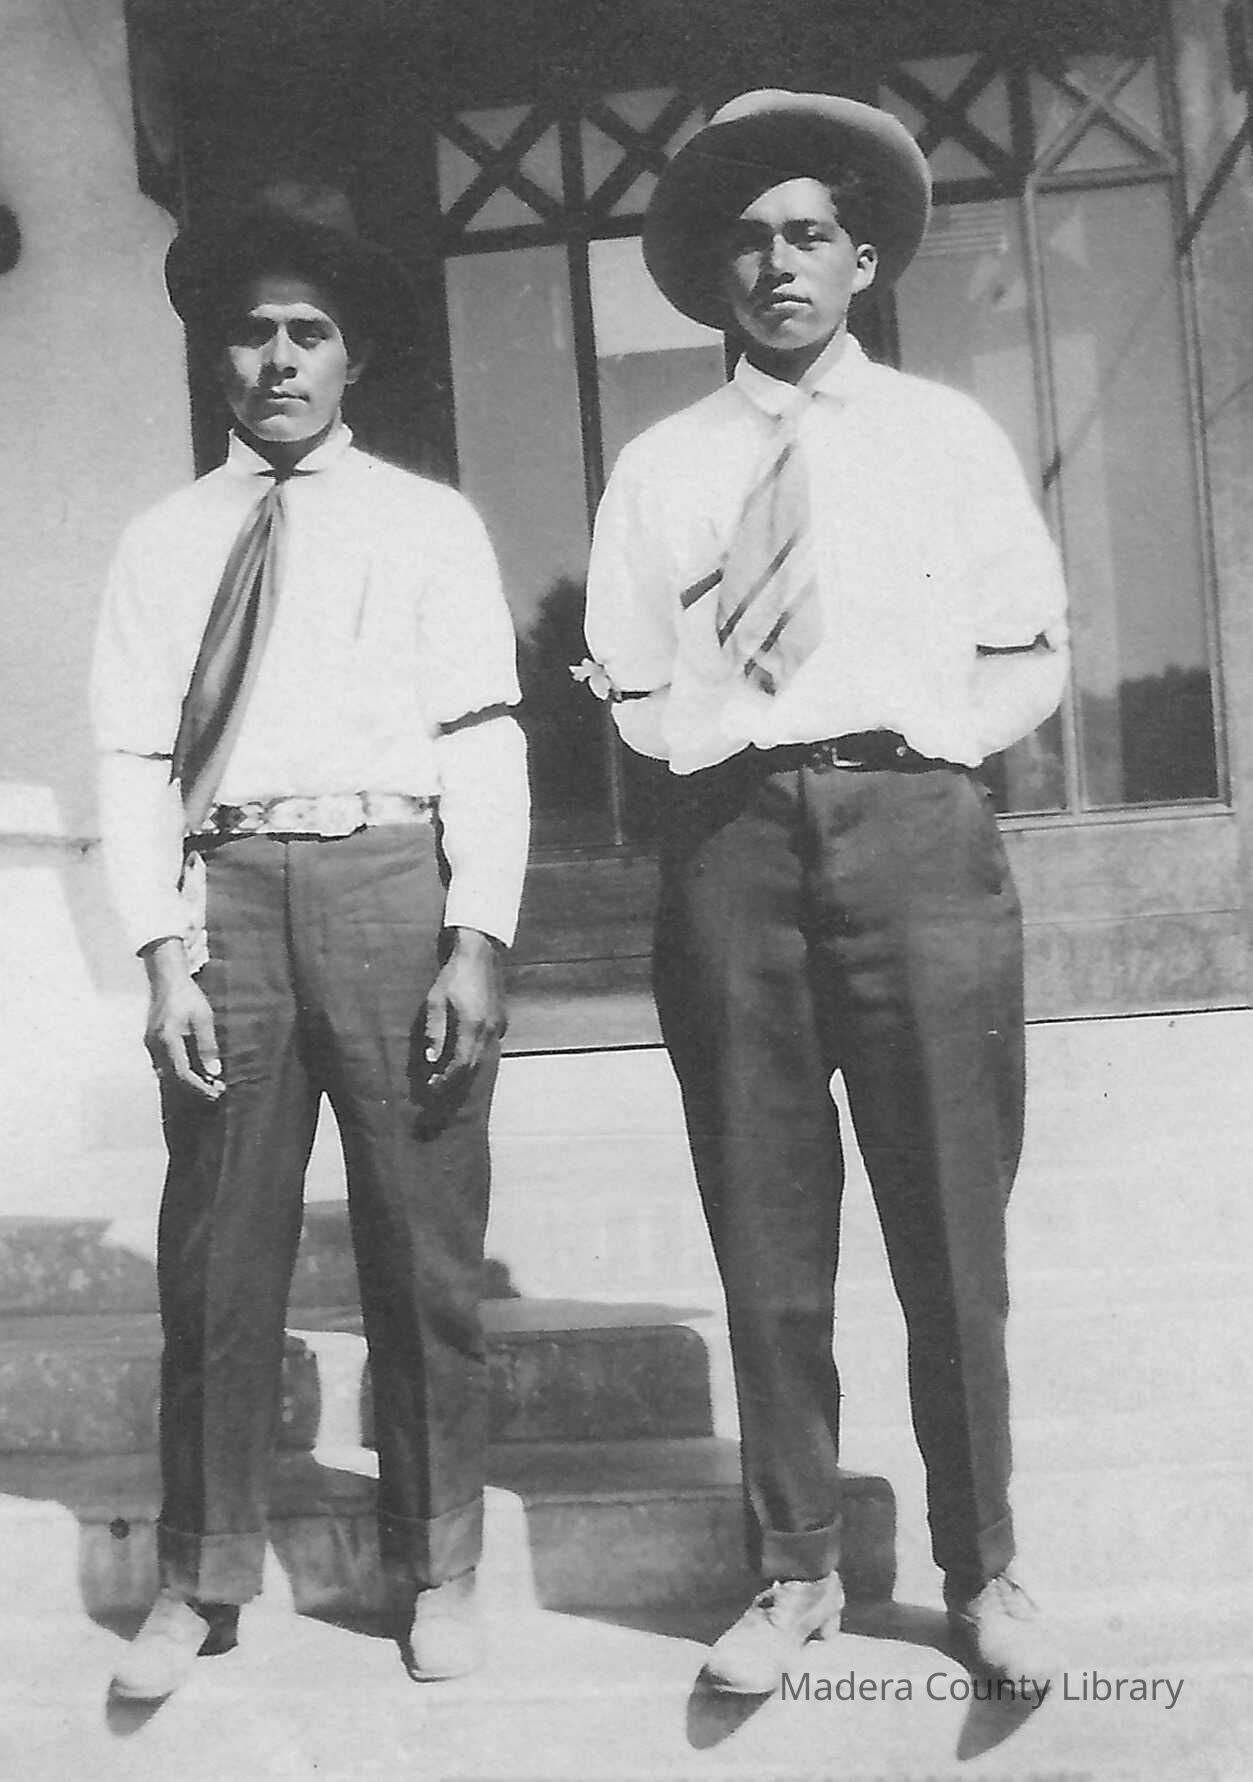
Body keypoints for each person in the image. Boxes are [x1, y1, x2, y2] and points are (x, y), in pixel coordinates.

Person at [584, 91, 1068, 1697]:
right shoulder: (663, 464)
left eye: (807, 235)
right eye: (747, 240)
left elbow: (1028, 646)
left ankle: (982, 1568)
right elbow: (626, 680)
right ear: (712, 273)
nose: (777, 264)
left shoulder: (943, 436)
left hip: (917, 835)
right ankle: (793, 1570)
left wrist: (921, 752)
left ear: (861, 260)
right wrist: (734, 760)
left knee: (951, 1235)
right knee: (766, 1237)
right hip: (733, 847)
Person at [91, 185, 529, 1699]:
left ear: (353, 358)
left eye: (309, 332)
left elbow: (482, 734)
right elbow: (130, 761)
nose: (279, 359)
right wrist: (161, 952)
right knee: (218, 1260)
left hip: (393, 883)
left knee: (423, 1252)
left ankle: (441, 1567)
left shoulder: (428, 523)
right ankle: (200, 1576)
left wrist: (477, 934)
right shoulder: (164, 541)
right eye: (252, 333)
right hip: (230, 900)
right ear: (217, 356)